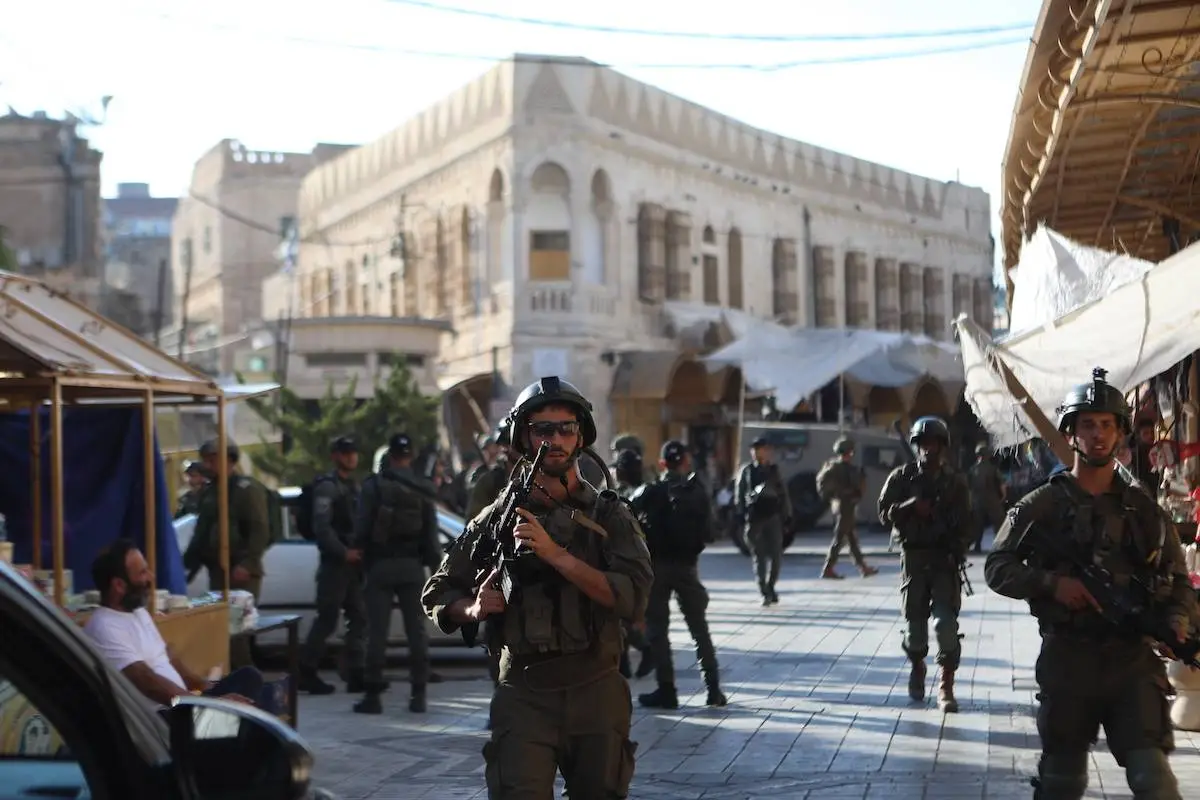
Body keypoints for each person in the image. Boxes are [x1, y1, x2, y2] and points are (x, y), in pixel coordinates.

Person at [422, 376, 653, 799]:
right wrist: (472, 608)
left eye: (566, 428)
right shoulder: (497, 518)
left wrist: (556, 555)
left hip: (595, 686)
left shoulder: (609, 516)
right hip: (524, 692)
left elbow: (633, 597)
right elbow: (436, 592)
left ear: (581, 436)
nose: (556, 440)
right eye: (543, 430)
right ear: (523, 438)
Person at [985, 368, 1193, 799]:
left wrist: (1176, 622)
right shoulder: (1041, 505)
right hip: (1069, 660)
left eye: (1107, 425)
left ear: (1120, 434)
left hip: (1133, 662)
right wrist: (1049, 584)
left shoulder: (1145, 510)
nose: (1098, 435)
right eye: (1087, 424)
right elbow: (998, 566)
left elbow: (1177, 583)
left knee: (1153, 780)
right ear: (1071, 432)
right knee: (1063, 781)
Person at [84, 539, 286, 715]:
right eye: (142, 573)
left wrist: (205, 687)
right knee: (250, 715)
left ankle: (242, 725)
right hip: (167, 716)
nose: (151, 577)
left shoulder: (138, 613)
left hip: (187, 703)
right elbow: (146, 681)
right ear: (119, 585)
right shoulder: (105, 626)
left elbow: (168, 658)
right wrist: (204, 704)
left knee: (249, 677)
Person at [877, 416, 971, 713]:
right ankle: (918, 666)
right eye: (924, 444)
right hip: (914, 559)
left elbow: (969, 522)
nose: (929, 449)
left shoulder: (955, 482)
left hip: (943, 561)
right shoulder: (902, 478)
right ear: (916, 446)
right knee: (915, 630)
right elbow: (883, 514)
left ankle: (946, 685)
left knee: (945, 624)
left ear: (943, 447)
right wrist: (910, 506)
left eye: (934, 444)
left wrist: (956, 545)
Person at [629, 440, 726, 709]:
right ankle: (713, 688)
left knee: (658, 631)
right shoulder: (697, 492)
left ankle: (667, 690)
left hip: (657, 568)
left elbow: (626, 513)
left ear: (662, 464)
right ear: (686, 462)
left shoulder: (650, 491)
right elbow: (709, 532)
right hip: (688, 568)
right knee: (699, 630)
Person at [352, 433, 443, 715]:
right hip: (412, 567)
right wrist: (436, 570)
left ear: (389, 456)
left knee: (376, 633)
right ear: (410, 457)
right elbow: (431, 535)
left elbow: (362, 527)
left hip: (380, 566)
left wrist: (359, 558)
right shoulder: (422, 487)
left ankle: (373, 696)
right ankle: (419, 694)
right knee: (416, 631)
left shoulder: (373, 486)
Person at [182, 438, 271, 669]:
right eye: (207, 460)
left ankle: (245, 680)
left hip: (240, 570)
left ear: (229, 460)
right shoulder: (211, 492)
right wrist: (185, 566)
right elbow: (202, 532)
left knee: (235, 630)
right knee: (221, 631)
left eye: (213, 460)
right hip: (218, 571)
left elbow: (259, 530)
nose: (209, 465)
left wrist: (248, 563)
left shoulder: (245, 489)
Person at [298, 436, 367, 695]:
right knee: (327, 619)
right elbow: (322, 528)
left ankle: (354, 671)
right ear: (335, 456)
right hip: (335, 564)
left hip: (353, 564)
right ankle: (306, 670)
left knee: (359, 617)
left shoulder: (352, 485)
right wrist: (343, 552)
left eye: (353, 452)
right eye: (345, 453)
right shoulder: (328, 487)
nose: (351, 457)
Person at [735, 436, 792, 605]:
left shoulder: (774, 470)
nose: (758, 452)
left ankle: (771, 586)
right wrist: (740, 514)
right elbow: (740, 494)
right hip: (755, 519)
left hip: (773, 517)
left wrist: (787, 515)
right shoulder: (747, 471)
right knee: (759, 557)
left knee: (776, 556)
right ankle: (764, 591)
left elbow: (783, 494)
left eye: (762, 448)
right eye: (755, 449)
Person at [613, 448, 653, 680]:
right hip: (625, 560)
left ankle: (644, 651)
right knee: (624, 614)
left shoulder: (637, 492)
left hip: (631, 561)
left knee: (625, 614)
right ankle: (626, 662)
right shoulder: (626, 490)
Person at [817, 437, 879, 579]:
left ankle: (863, 567)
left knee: (851, 539)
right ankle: (828, 568)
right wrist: (840, 493)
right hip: (843, 506)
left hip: (847, 505)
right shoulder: (835, 467)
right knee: (840, 539)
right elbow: (824, 485)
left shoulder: (842, 467)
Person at [968, 442, 1007, 553]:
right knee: (999, 522)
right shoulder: (993, 468)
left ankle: (977, 546)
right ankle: (1000, 545)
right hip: (992, 499)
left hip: (977, 500)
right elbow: (1002, 484)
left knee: (978, 525)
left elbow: (969, 488)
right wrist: (1003, 496)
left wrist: (970, 502)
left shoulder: (972, 469)